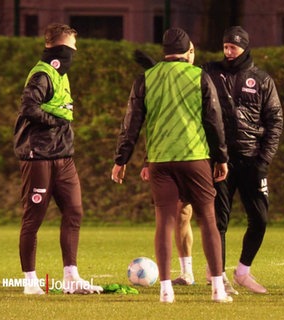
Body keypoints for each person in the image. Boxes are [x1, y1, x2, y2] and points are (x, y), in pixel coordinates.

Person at [112, 28, 231, 303]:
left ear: (164, 52)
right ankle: (217, 289)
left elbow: (132, 123)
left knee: (164, 222)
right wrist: (221, 157)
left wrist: (122, 159)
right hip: (194, 157)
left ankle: (166, 290)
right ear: (188, 50)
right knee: (208, 221)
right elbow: (214, 120)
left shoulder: (146, 78)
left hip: (160, 161)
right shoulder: (198, 75)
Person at [13, 23, 103, 295]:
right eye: (71, 48)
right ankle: (30, 281)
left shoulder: (60, 74)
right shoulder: (42, 75)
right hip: (38, 155)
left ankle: (71, 278)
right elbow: (29, 108)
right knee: (33, 218)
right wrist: (56, 120)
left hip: (63, 155)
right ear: (59, 48)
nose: (73, 54)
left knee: (74, 211)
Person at [201, 26, 283, 294]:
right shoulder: (211, 72)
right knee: (218, 221)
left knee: (259, 219)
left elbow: (275, 121)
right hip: (220, 159)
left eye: (233, 47)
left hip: (252, 161)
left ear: (244, 48)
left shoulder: (261, 79)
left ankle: (243, 272)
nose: (228, 52)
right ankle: (218, 275)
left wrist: (264, 159)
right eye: (225, 47)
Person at [133, 50, 196, 286]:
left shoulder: (200, 79)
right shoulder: (160, 83)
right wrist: (150, 160)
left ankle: (218, 276)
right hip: (167, 160)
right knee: (178, 214)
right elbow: (158, 124)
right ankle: (186, 273)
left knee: (212, 217)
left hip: (198, 158)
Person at [140, 165, 195, 285]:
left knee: (185, 210)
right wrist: (147, 163)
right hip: (163, 162)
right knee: (165, 211)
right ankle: (186, 273)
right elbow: (151, 144)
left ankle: (216, 272)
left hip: (190, 160)